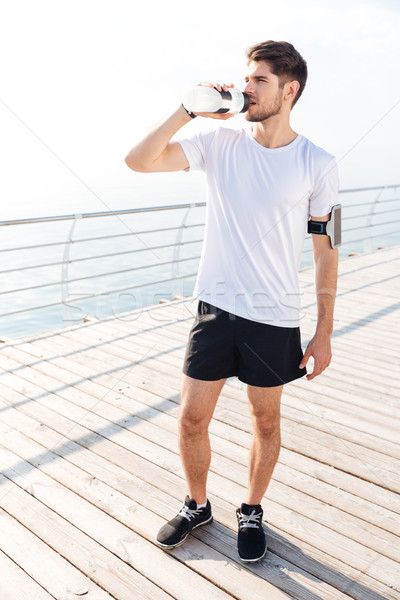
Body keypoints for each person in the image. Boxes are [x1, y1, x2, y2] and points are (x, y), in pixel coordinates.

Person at [125, 40, 339, 563]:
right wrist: (186, 108)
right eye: (246, 78)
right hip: (215, 308)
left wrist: (325, 331)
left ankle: (251, 509)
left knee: (265, 421)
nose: (246, 88)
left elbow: (328, 250)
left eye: (259, 80)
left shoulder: (319, 162)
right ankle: (197, 505)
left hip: (274, 315)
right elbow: (138, 161)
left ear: (289, 90)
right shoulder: (217, 139)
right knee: (191, 419)